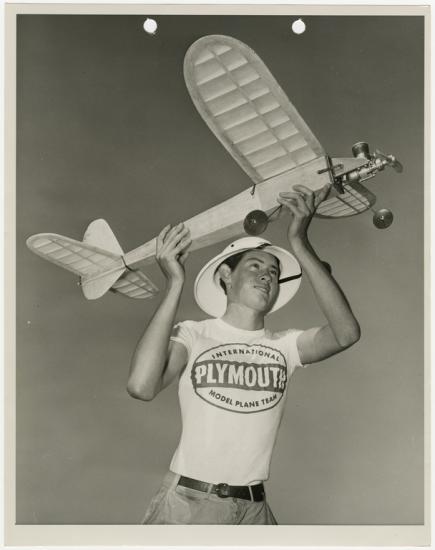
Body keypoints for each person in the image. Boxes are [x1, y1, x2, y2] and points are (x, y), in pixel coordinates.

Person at [127, 183, 361, 525]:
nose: (266, 276)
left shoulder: (285, 345)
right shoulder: (194, 333)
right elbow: (141, 387)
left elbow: (346, 333)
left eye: (274, 272)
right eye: (254, 266)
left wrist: (300, 241)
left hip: (254, 509)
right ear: (225, 274)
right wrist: (174, 283)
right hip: (191, 503)